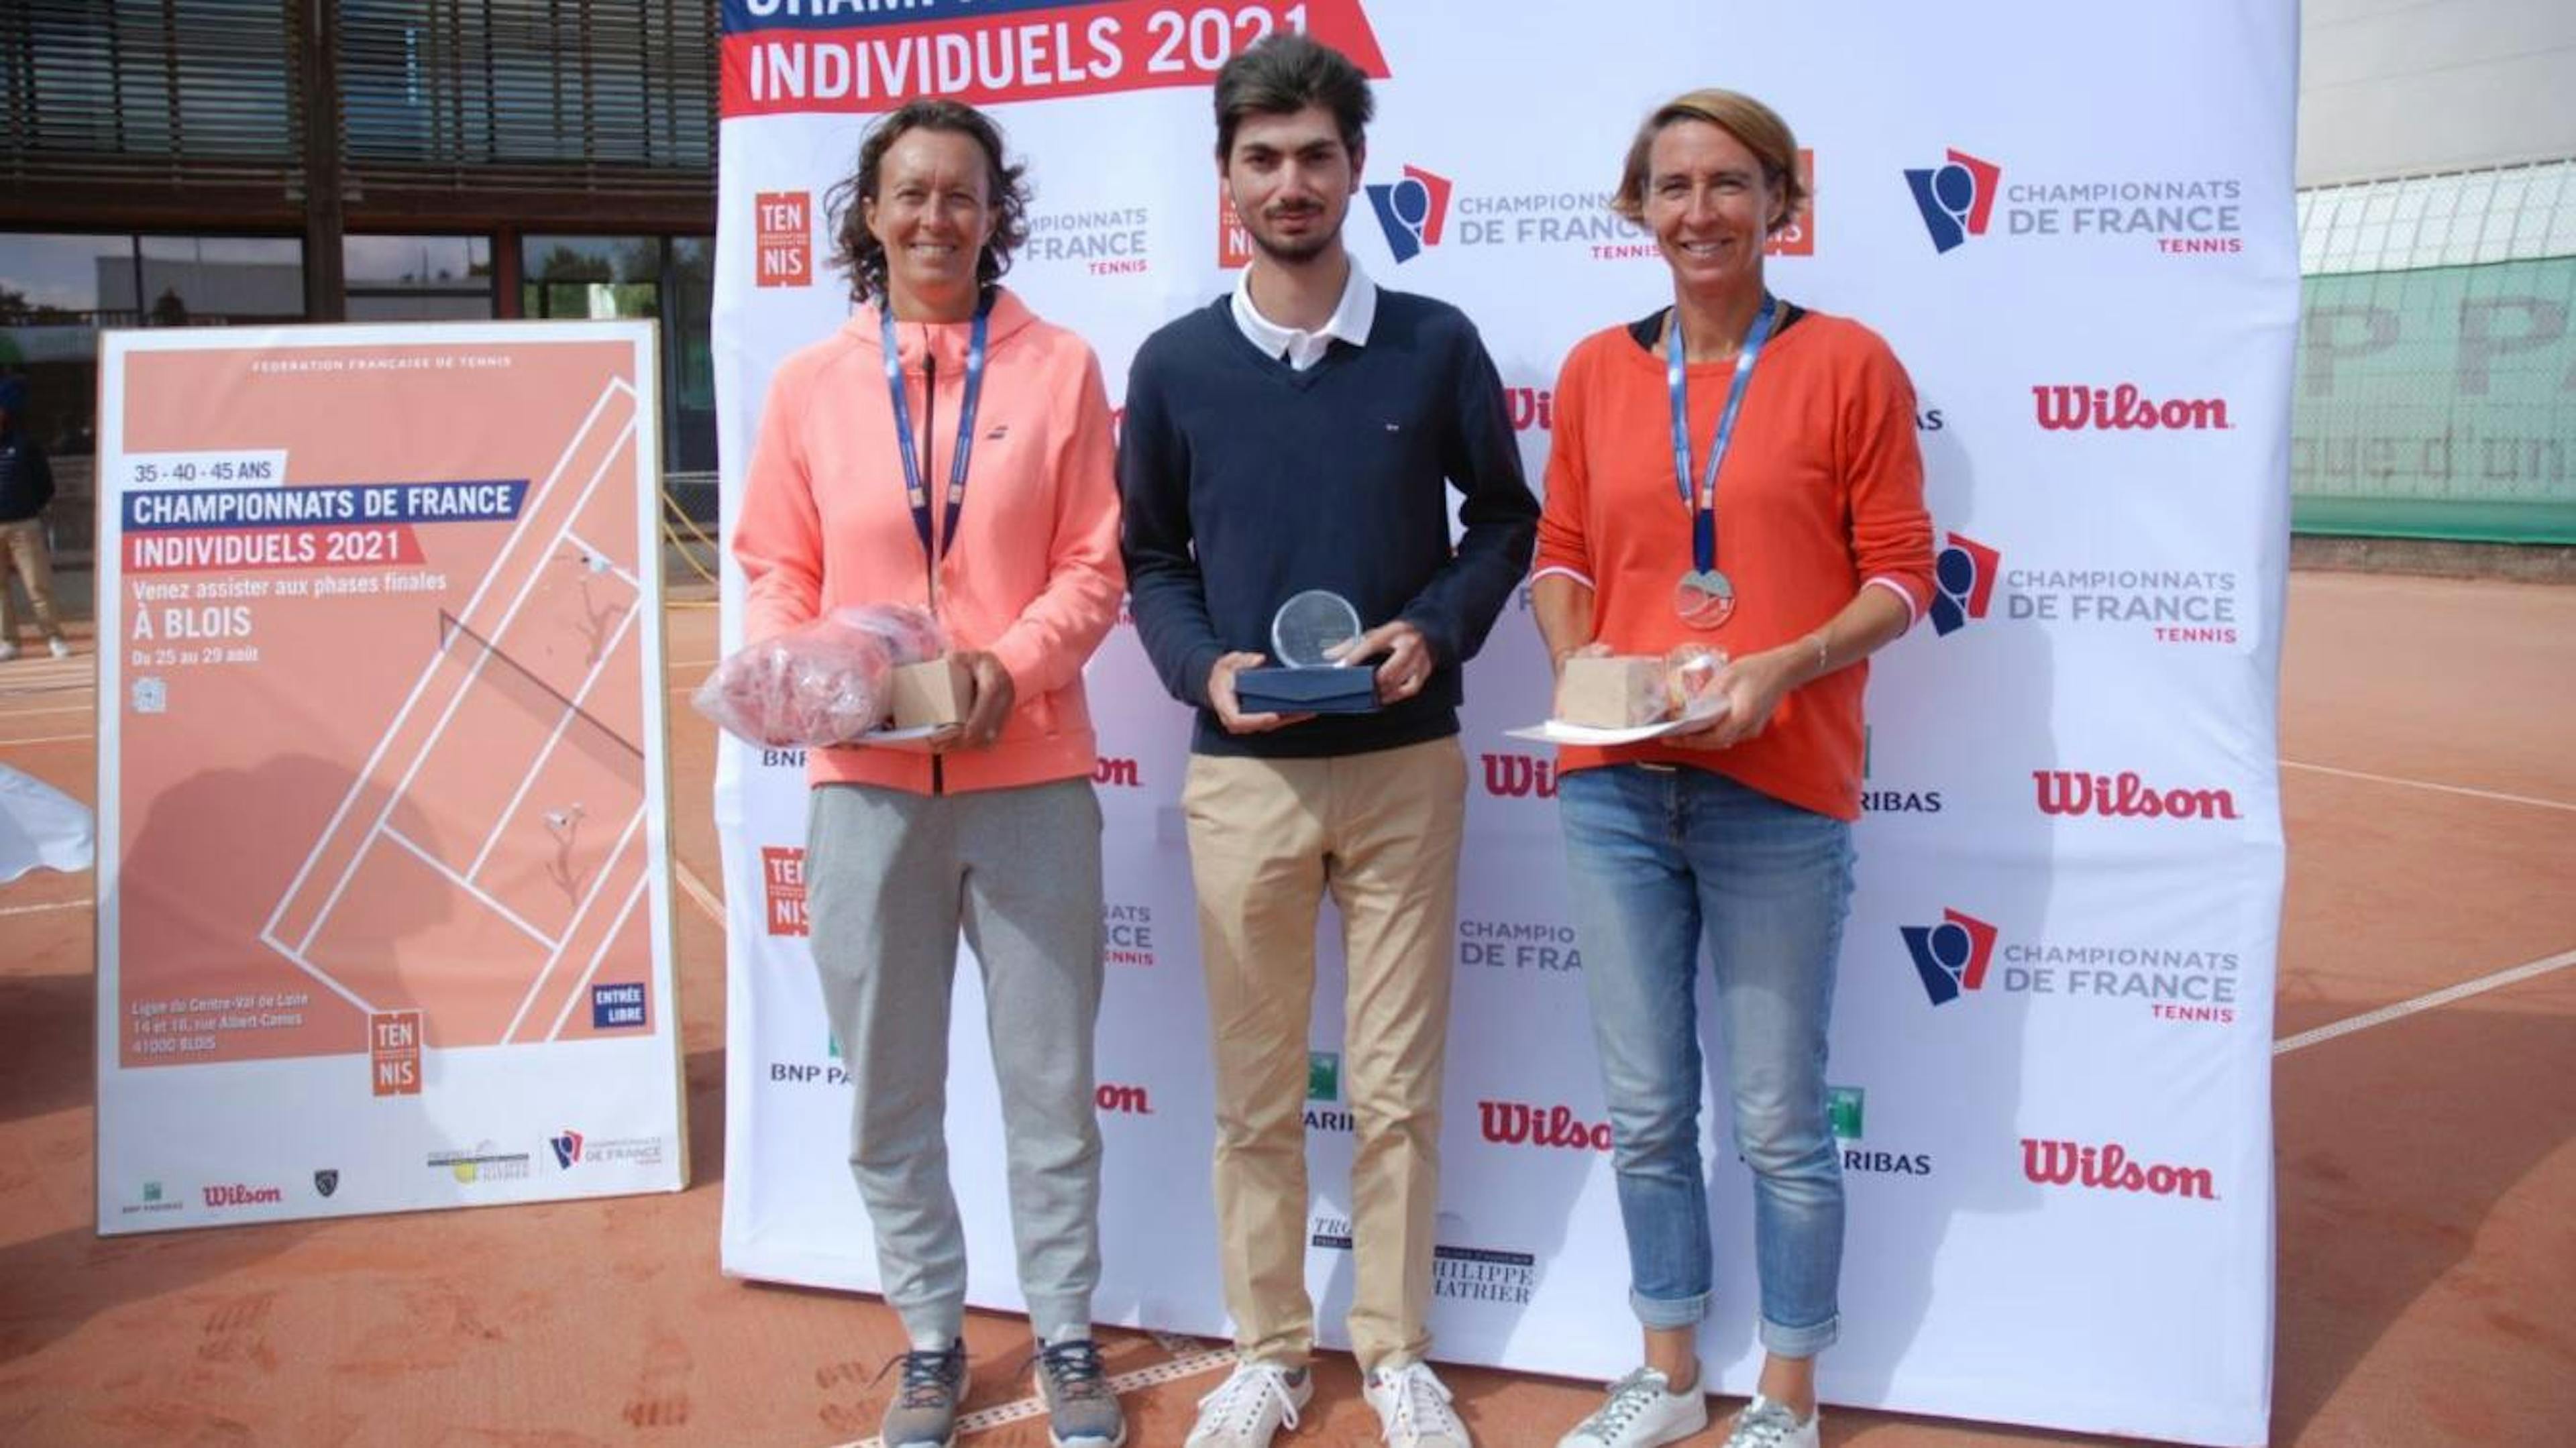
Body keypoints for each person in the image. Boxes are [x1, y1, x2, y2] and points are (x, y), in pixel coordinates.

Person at [1119, 34, 1539, 1448]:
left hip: (1408, 761)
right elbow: (1150, 555)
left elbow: (1506, 518)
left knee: (1398, 1081)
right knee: (1251, 1091)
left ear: (1358, 168)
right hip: (1241, 772)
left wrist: (1438, 624)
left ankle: (1398, 1346)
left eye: (1315, 154)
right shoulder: (1174, 363)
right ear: (1225, 176)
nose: (1289, 182)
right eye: (1262, 157)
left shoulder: (1436, 342)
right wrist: (1202, 664)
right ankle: (1268, 1347)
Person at [1529, 91, 1935, 1448]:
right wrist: (1583, 656)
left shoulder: (1849, 362)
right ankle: (1668, 1365)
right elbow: (1564, 552)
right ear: (1638, 209)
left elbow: (1902, 575)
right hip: (1616, 786)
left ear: (1781, 202)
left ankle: (1787, 1393)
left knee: (1775, 1114)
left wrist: (1781, 664)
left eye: (1726, 184)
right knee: (1647, 1104)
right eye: (1670, 186)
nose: (1697, 211)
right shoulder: (1597, 368)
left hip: (1782, 782)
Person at [731, 99, 1128, 1448]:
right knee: (889, 1085)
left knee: (1048, 1080)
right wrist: (813, 652)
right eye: (910, 194)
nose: (936, 218)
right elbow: (775, 561)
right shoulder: (808, 384)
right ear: (868, 213)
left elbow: (1094, 563)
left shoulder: (1061, 365)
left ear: (995, 210)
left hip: (1029, 775)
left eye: (961, 194)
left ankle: (1066, 1329)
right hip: (864, 783)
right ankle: (929, 1335)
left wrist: (1008, 666)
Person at [0, 378, 72, 663]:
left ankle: (54, 638)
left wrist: (28, 507)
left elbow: (46, 485)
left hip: (24, 525)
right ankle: (7, 642)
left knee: (37, 585)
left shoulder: (25, 445)